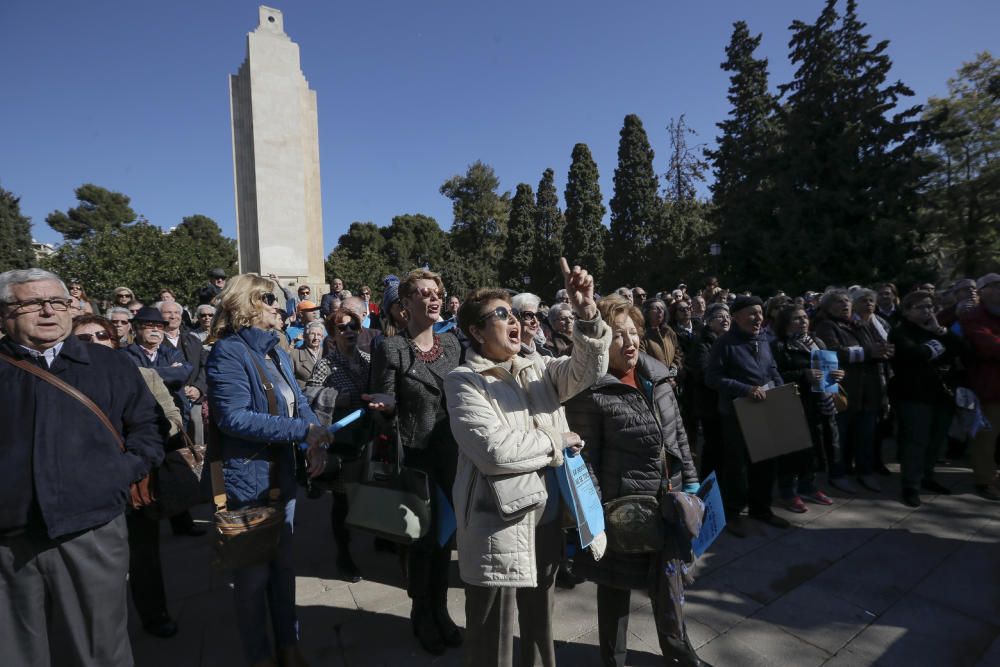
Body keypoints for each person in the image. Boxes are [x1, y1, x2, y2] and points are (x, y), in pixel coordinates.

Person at [445, 259, 611, 667]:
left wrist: (587, 313)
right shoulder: (464, 380)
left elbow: (588, 370)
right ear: (476, 332)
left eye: (515, 313)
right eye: (500, 315)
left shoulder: (536, 369)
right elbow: (496, 451)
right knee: (491, 637)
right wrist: (558, 440)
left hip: (548, 518)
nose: (515, 321)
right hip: (496, 526)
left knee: (540, 624)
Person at [0, 268, 164, 666]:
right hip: (8, 537)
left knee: (99, 648)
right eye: (31, 303)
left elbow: (148, 427)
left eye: (57, 302)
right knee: (15, 651)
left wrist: (118, 474)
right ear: (4, 314)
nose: (47, 312)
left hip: (92, 526)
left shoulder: (109, 365)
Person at [565, 295, 704, 667]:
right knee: (614, 590)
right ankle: (614, 659)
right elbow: (584, 461)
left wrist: (689, 482)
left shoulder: (657, 375)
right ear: (599, 344)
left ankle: (678, 649)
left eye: (633, 333)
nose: (629, 342)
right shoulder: (590, 389)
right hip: (621, 510)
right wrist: (595, 520)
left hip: (668, 501)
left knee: (670, 580)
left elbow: (678, 436)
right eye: (618, 336)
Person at [205, 274, 331, 667]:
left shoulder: (274, 349)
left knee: (284, 568)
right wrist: (303, 431)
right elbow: (234, 418)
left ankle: (289, 647)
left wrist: (315, 439)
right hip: (250, 482)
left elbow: (298, 402)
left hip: (283, 473)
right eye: (269, 299)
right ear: (245, 304)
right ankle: (259, 656)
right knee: (253, 577)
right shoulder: (228, 352)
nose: (279, 306)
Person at [364, 269, 463, 656]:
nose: (434, 297)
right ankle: (422, 614)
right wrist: (386, 408)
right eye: (424, 292)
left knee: (445, 541)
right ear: (405, 305)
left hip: (452, 456)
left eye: (437, 291)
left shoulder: (453, 346)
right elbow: (381, 408)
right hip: (415, 458)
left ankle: (441, 610)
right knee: (421, 543)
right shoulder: (392, 349)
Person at [73, 314, 183, 638]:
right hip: (83, 490)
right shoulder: (62, 383)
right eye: (83, 339)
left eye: (101, 336)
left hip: (134, 482)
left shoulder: (144, 375)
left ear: (114, 341)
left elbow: (172, 418)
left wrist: (137, 451)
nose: (93, 343)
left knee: (143, 556)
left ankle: (154, 614)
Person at [705, 295, 789, 537]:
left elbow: (771, 368)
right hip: (736, 413)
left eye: (760, 313)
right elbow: (713, 379)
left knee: (765, 461)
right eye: (752, 313)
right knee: (736, 466)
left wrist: (782, 391)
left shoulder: (763, 340)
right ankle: (732, 513)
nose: (758, 318)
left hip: (765, 410)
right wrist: (746, 389)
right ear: (736, 317)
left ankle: (761, 509)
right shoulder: (725, 344)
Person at [304, 307, 371, 582]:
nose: (349, 332)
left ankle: (383, 536)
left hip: (367, 436)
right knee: (342, 500)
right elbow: (309, 391)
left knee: (369, 493)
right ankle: (344, 555)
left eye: (353, 326)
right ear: (332, 335)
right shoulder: (326, 363)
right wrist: (334, 397)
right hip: (341, 438)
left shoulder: (368, 359)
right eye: (342, 328)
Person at [889, 291, 966, 507]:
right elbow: (915, 354)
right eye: (921, 307)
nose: (927, 311)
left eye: (930, 306)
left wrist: (940, 332)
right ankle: (910, 485)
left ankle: (927, 476)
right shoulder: (900, 332)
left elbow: (962, 349)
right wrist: (940, 348)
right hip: (914, 395)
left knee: (936, 440)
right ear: (906, 311)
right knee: (916, 441)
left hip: (942, 395)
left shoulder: (937, 329)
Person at [813, 289, 893, 494]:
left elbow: (875, 348)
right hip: (843, 392)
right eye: (839, 302)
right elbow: (833, 353)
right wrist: (869, 352)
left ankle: (865, 473)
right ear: (828, 307)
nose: (845, 305)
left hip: (869, 391)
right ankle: (837, 475)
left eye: (847, 301)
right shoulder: (826, 326)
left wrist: (882, 351)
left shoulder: (860, 325)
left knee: (866, 435)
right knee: (839, 436)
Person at [770, 306, 840, 512]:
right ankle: (788, 492)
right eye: (797, 319)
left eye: (804, 318)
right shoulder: (779, 346)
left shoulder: (817, 342)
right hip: (792, 403)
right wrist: (803, 374)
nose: (803, 322)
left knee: (812, 448)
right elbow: (776, 375)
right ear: (785, 323)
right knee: (791, 450)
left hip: (817, 403)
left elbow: (827, 370)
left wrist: (836, 376)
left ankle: (808, 485)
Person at [960, 273, 1000, 500]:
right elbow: (988, 346)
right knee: (986, 437)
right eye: (994, 287)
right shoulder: (974, 316)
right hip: (989, 387)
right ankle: (985, 480)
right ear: (983, 291)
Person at [687, 303, 730, 479]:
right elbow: (703, 374)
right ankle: (708, 485)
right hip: (711, 405)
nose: (725, 319)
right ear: (709, 321)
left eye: (728, 316)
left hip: (728, 403)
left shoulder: (731, 341)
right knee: (713, 448)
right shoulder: (702, 343)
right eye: (720, 316)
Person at [512, 292, 551, 358]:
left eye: (538, 316)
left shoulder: (541, 351)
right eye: (528, 315)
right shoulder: (510, 355)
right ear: (515, 318)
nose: (535, 321)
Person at [291, 320, 325, 389]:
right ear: (305, 336)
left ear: (322, 337)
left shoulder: (327, 353)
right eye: (312, 334)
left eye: (319, 335)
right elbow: (291, 381)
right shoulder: (294, 354)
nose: (316, 338)